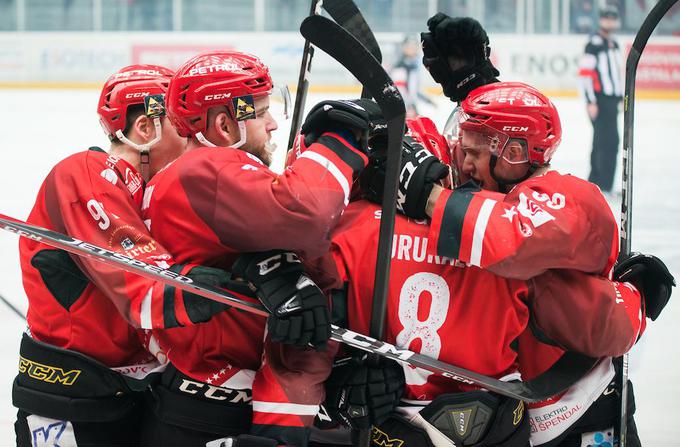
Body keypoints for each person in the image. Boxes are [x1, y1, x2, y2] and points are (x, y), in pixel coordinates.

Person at [303, 117, 646, 447]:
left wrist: (336, 387)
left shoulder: (348, 226)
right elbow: (602, 324)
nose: (465, 166)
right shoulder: (500, 244)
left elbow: (299, 328)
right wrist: (635, 297)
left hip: (383, 424)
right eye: (462, 153)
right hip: (514, 419)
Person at [371, 81, 674, 446]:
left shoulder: (573, 197)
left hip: (581, 413)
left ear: (514, 152)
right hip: (517, 414)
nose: (463, 163)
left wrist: (427, 194)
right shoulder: (498, 186)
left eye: (474, 152)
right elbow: (433, 148)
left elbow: (508, 238)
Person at [140, 50, 379, 446]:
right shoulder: (204, 170)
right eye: (261, 112)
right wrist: (339, 142)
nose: (271, 124)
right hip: (212, 415)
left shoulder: (187, 177)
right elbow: (305, 213)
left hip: (198, 403)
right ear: (223, 124)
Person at [15, 65, 239, 446]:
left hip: (133, 393)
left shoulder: (152, 195)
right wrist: (189, 288)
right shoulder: (86, 172)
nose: (190, 136)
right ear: (145, 130)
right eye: (179, 125)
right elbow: (139, 280)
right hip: (72, 401)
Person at [578, 5, 623, 195]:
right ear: (601, 20)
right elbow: (585, 75)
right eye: (607, 18)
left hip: (612, 100)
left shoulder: (615, 43)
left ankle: (597, 183)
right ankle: (601, 184)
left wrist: (620, 97)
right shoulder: (594, 44)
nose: (610, 22)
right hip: (600, 100)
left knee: (605, 141)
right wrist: (590, 101)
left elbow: (617, 75)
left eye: (613, 18)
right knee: (607, 141)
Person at [391, 35, 435, 118]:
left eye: (414, 46)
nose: (412, 48)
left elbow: (414, 90)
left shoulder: (414, 66)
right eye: (409, 45)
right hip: (405, 110)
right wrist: (409, 107)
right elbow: (400, 91)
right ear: (404, 47)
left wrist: (427, 100)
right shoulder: (399, 68)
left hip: (410, 108)